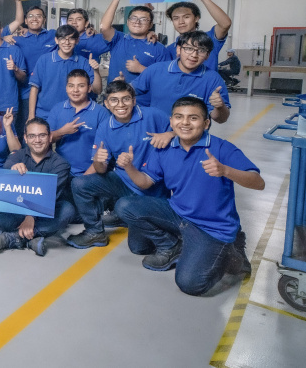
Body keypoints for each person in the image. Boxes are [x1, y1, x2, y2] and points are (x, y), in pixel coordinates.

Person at [116, 97, 263, 294]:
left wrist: (226, 171)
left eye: (193, 118)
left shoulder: (221, 148)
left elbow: (258, 182)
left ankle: (231, 251)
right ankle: (173, 246)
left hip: (211, 227)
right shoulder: (165, 150)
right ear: (171, 121)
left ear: (206, 123)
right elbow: (145, 181)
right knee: (126, 208)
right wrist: (128, 167)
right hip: (178, 213)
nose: (185, 123)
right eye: (179, 117)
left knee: (190, 283)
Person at [66, 81, 173, 250]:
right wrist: (98, 161)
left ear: (134, 100)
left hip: (151, 188)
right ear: (107, 104)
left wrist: (170, 133)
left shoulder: (153, 116)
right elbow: (101, 170)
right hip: (123, 181)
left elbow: (183, 129)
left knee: (139, 248)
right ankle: (95, 233)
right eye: (114, 100)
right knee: (79, 183)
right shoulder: (105, 127)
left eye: (126, 99)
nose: (121, 105)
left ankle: (139, 218)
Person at [0, 118, 76, 256]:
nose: (37, 140)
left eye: (42, 135)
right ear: (25, 138)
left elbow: (49, 196)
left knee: (67, 210)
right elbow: (6, 169)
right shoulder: (17, 155)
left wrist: (31, 216)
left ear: (50, 137)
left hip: (45, 211)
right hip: (17, 208)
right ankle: (30, 236)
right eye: (32, 136)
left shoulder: (61, 164)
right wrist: (12, 169)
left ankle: (14, 237)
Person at [132, 31, 231, 124]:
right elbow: (131, 90)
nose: (194, 55)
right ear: (179, 49)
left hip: (189, 138)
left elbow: (222, 119)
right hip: (156, 134)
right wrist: (120, 85)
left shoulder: (212, 79)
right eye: (188, 48)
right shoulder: (156, 70)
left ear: (207, 55)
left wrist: (220, 106)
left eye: (201, 51)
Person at [97, 0, 170, 83]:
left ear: (150, 24)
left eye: (143, 19)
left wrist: (142, 69)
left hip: (143, 98)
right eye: (133, 18)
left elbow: (166, 78)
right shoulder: (118, 39)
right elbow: (104, 27)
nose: (137, 22)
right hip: (115, 96)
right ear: (127, 22)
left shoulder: (159, 49)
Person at [47, 70, 111, 176]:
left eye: (81, 86)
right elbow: (44, 140)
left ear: (89, 88)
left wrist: (83, 179)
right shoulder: (57, 109)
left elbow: (105, 151)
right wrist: (63, 131)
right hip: (61, 170)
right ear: (66, 88)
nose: (75, 90)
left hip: (91, 172)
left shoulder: (101, 112)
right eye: (71, 86)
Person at [28, 25, 98, 120]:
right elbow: (34, 88)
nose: (67, 42)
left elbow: (96, 90)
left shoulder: (83, 62)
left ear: (77, 41)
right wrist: (31, 116)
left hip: (74, 115)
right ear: (56, 40)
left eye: (71, 39)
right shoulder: (44, 60)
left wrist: (96, 70)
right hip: (44, 115)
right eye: (63, 39)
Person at [8, 6, 57, 133]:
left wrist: (90, 31)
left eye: (38, 16)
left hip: (49, 92)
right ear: (25, 20)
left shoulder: (53, 35)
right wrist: (4, 38)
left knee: (49, 130)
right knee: (27, 128)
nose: (34, 19)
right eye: (30, 16)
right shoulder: (16, 40)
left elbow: (71, 35)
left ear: (44, 20)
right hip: (26, 93)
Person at [164, 0, 232, 72]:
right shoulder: (170, 49)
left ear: (196, 18)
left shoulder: (209, 38)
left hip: (207, 85)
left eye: (186, 17)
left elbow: (225, 24)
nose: (181, 22)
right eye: (176, 18)